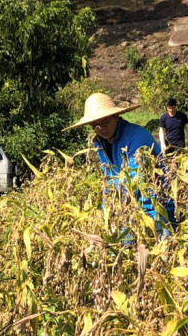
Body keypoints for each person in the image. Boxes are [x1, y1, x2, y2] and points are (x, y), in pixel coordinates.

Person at [65, 92, 175, 234]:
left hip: (156, 210)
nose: (102, 129)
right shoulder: (99, 142)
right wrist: (104, 213)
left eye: (105, 122)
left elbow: (133, 181)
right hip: (129, 211)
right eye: (96, 125)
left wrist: (114, 212)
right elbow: (109, 179)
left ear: (116, 117)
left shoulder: (137, 137)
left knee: (160, 252)